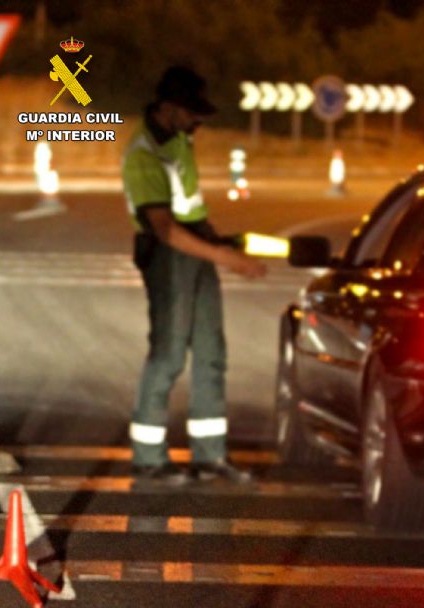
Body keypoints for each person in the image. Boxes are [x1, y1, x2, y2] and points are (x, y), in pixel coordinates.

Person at [122, 65, 266, 485]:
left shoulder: (179, 137)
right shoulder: (144, 155)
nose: (198, 121)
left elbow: (188, 206)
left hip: (197, 247)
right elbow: (164, 228)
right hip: (170, 256)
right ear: (167, 108)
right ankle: (148, 457)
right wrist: (226, 257)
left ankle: (210, 456)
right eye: (191, 113)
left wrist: (220, 243)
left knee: (211, 353)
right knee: (168, 353)